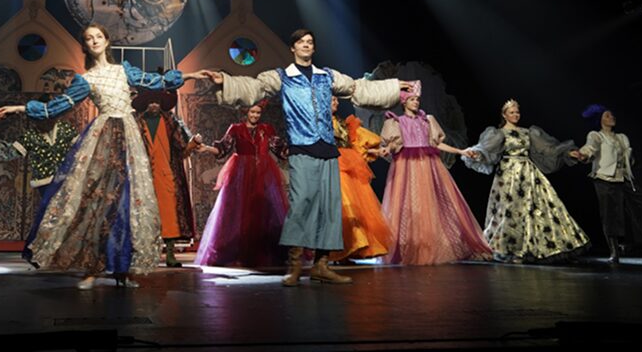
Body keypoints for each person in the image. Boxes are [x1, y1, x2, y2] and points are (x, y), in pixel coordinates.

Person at [0, 23, 208, 289]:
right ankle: (92, 269)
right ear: (85, 45)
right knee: (98, 201)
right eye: (88, 38)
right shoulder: (86, 79)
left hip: (129, 138)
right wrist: (20, 107)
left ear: (106, 41)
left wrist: (191, 75)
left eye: (98, 37)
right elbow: (54, 108)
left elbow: (156, 81)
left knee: (128, 203)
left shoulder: (123, 70)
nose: (94, 41)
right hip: (104, 138)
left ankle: (123, 270)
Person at [200, 28, 407, 286]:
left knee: (329, 207)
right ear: (293, 48)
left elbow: (357, 88)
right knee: (301, 205)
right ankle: (296, 265)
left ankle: (322, 265)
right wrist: (225, 81)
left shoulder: (327, 76)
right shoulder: (283, 77)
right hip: (302, 148)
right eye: (301, 42)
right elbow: (255, 87)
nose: (306, 45)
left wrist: (393, 87)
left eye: (310, 42)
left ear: (314, 48)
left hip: (327, 150)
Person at [462, 99, 589, 263]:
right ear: (504, 115)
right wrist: (476, 153)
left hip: (529, 173)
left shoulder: (528, 132)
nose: (515, 115)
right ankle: (509, 248)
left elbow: (548, 149)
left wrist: (568, 153)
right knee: (509, 210)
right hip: (508, 175)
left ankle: (534, 248)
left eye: (517, 112)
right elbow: (486, 149)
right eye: (512, 112)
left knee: (536, 208)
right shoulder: (499, 133)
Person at [379, 82, 492, 265]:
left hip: (429, 166)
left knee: (432, 202)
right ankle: (413, 246)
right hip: (407, 167)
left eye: (417, 100)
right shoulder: (396, 122)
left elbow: (437, 144)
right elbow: (393, 144)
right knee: (410, 205)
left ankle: (433, 244)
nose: (416, 102)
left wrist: (461, 151)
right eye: (412, 99)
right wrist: (386, 149)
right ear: (404, 102)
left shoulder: (427, 120)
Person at [193, 100, 289, 268]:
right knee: (238, 210)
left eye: (258, 113)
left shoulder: (266, 129)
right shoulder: (236, 129)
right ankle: (235, 251)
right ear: (246, 113)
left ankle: (265, 252)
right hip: (240, 172)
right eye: (252, 112)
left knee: (265, 210)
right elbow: (223, 148)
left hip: (264, 172)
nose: (255, 115)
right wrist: (207, 148)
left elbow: (280, 149)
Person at [572, 104, 642, 263]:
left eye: (612, 115)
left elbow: (628, 157)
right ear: (599, 120)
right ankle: (614, 252)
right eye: (607, 115)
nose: (611, 117)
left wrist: (630, 160)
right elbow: (590, 148)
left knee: (641, 208)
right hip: (604, 179)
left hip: (623, 178)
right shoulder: (596, 136)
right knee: (610, 215)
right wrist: (583, 154)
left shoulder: (622, 137)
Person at [132, 88, 199, 268]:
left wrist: (193, 144)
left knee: (169, 214)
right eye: (150, 102)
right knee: (144, 213)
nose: (154, 105)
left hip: (166, 172)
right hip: (143, 174)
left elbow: (181, 147)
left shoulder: (170, 121)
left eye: (157, 102)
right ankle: (146, 254)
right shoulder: (136, 121)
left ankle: (170, 253)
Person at [328, 95, 392, 262]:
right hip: (332, 164)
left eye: (336, 99)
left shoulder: (344, 123)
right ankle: (343, 248)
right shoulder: (318, 123)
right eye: (331, 99)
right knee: (344, 204)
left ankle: (355, 247)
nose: (336, 102)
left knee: (357, 204)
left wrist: (376, 151)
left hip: (349, 164)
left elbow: (356, 145)